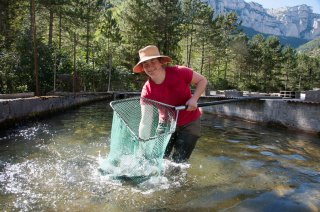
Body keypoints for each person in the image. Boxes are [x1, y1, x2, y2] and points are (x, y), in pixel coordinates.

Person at [134, 45, 207, 163]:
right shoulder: (147, 91)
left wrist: (194, 99)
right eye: (146, 64)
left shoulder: (180, 72)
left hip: (190, 122)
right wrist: (142, 144)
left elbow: (202, 80)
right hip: (165, 124)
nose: (150, 67)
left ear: (160, 62)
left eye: (153, 62)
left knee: (179, 162)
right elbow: (145, 122)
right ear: (143, 68)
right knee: (158, 160)